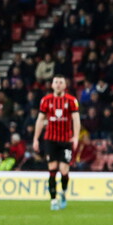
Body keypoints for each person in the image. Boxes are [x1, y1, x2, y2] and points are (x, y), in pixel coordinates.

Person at [33, 74, 81, 211]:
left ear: (65, 85)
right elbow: (40, 120)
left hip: (66, 140)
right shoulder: (46, 100)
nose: (58, 84)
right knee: (52, 168)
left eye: (61, 82)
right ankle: (53, 200)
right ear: (52, 85)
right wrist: (36, 138)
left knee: (64, 170)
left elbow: (76, 119)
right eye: (56, 82)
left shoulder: (71, 100)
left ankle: (64, 193)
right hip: (50, 140)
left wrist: (76, 137)